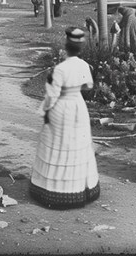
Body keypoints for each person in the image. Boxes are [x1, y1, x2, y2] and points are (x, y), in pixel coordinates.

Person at [29, 28, 100, 209]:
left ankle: (56, 189)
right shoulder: (84, 65)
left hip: (61, 107)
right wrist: (74, 88)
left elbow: (52, 96)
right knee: (77, 144)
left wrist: (45, 111)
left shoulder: (59, 69)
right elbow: (88, 85)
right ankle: (80, 187)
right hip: (78, 106)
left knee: (58, 144)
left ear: (66, 47)